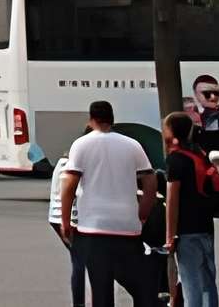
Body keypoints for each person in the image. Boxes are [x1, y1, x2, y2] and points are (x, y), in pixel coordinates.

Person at [56, 98, 155, 307]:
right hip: (128, 227)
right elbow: (150, 179)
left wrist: (65, 220)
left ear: (91, 119)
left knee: (100, 288)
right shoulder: (132, 145)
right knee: (139, 285)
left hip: (93, 228)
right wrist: (143, 212)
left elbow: (69, 184)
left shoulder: (81, 144)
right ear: (112, 119)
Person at [164, 111, 219, 307]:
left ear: (172, 132)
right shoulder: (200, 154)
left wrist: (170, 236)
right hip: (206, 227)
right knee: (208, 283)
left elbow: (172, 200)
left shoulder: (175, 160)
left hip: (186, 231)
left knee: (191, 286)